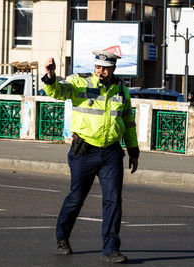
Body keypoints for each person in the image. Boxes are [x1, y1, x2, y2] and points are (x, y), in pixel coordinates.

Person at [42, 50, 139, 263]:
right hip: (84, 151)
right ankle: (62, 235)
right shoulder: (80, 82)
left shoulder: (121, 90)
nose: (101, 71)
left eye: (105, 68)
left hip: (112, 152)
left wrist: (133, 150)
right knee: (76, 198)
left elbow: (128, 121)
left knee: (113, 201)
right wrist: (50, 77)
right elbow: (58, 92)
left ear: (113, 69)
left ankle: (111, 248)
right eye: (98, 67)